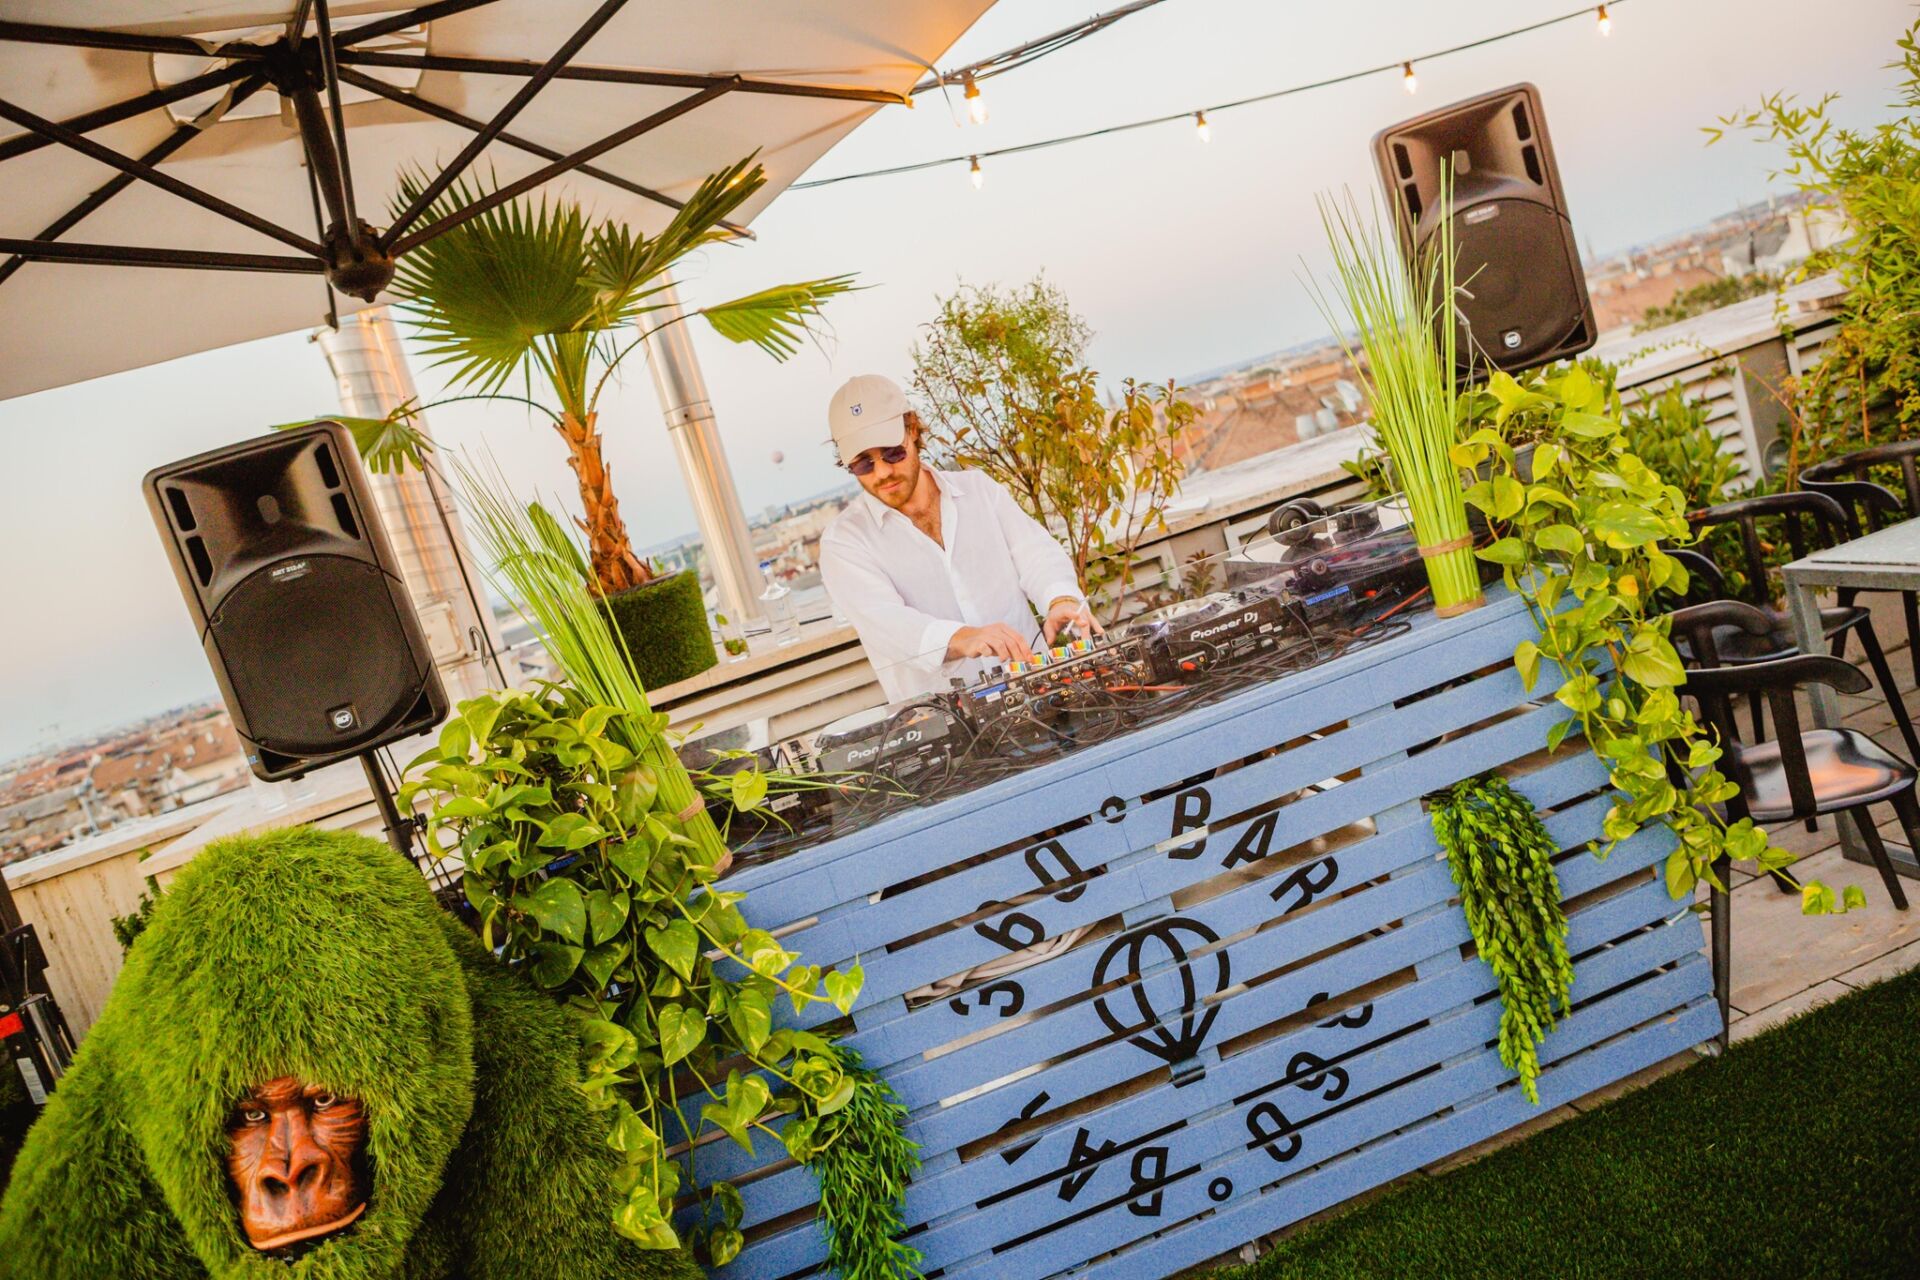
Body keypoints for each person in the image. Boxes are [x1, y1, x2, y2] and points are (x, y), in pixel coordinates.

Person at [818, 373, 1099, 702]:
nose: (882, 473)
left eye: (893, 453)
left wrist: (1060, 599)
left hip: (1043, 696)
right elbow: (889, 625)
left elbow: (1037, 555)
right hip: (946, 727)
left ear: (912, 431)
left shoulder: (979, 490)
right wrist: (963, 637)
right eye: (863, 464)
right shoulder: (844, 543)